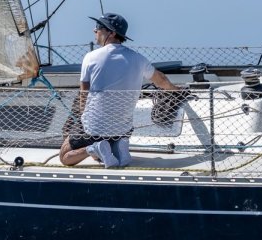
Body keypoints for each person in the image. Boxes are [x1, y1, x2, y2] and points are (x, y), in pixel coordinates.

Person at [60, 12, 178, 168]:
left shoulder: (90, 57)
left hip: (95, 127)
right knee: (106, 144)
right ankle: (118, 148)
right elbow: (161, 80)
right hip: (123, 129)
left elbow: (84, 95)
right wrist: (176, 89)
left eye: (98, 27)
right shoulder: (138, 58)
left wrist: (83, 121)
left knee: (64, 156)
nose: (94, 31)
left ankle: (94, 148)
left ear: (111, 33)